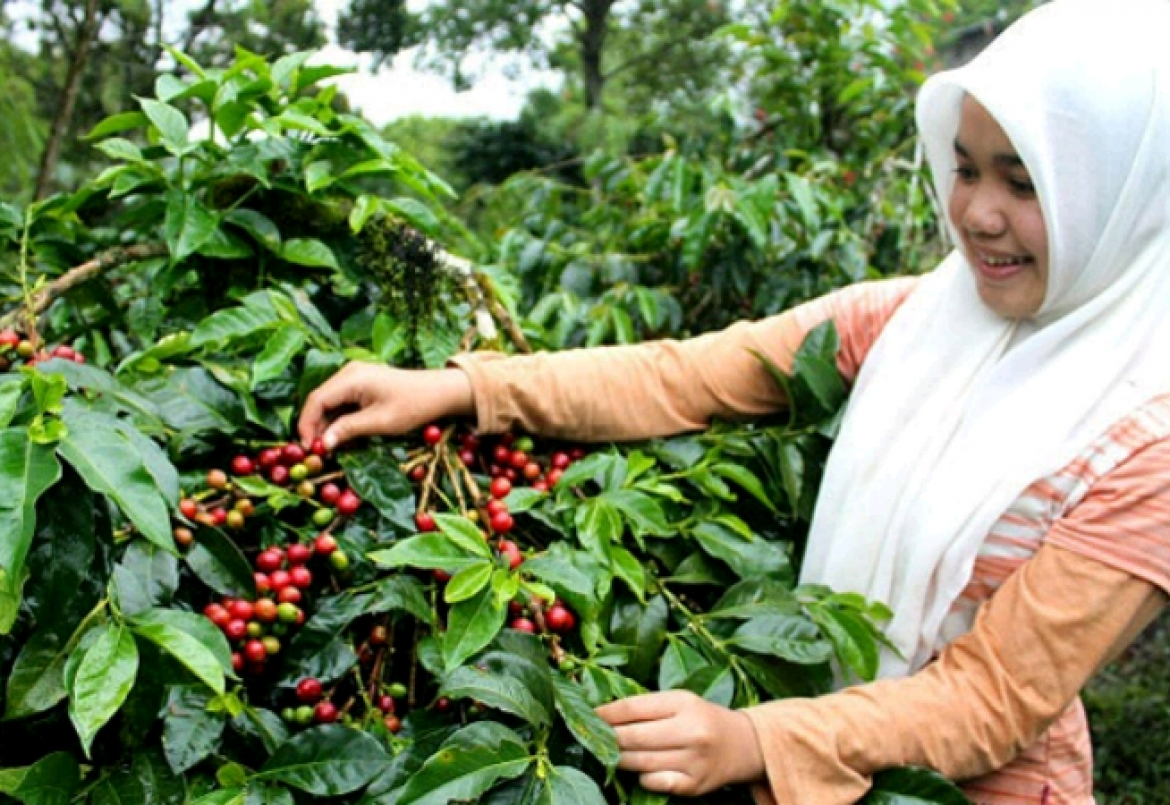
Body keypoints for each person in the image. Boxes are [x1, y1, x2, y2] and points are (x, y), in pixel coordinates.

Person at [297, 0, 1170, 801]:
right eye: (965, 168)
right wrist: (463, 384)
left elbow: (995, 696)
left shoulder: (1145, 443)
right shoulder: (914, 318)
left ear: (1120, 200)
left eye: (1024, 185)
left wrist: (758, 738)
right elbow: (688, 374)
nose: (976, 213)